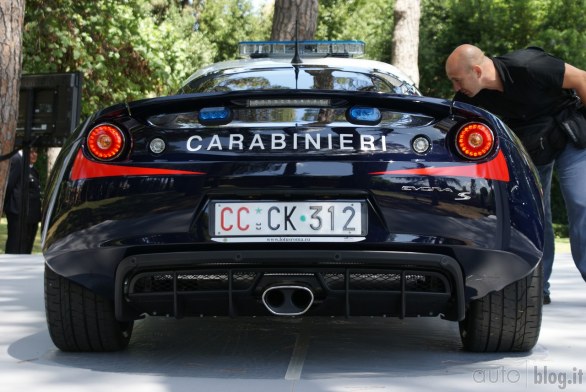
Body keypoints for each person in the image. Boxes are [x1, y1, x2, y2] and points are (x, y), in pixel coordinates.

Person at [445, 44, 586, 305]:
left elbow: (581, 78)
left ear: (476, 70)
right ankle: (538, 287)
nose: (455, 88)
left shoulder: (529, 66)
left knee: (582, 202)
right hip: (532, 148)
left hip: (568, 133)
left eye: (457, 80)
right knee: (535, 216)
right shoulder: (468, 100)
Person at [3, 148, 42, 254]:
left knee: (26, 246)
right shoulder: (17, 160)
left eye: (36, 152)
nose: (35, 155)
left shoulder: (31, 169)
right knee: (15, 245)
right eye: (31, 152)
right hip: (18, 211)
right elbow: (9, 185)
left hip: (30, 214)